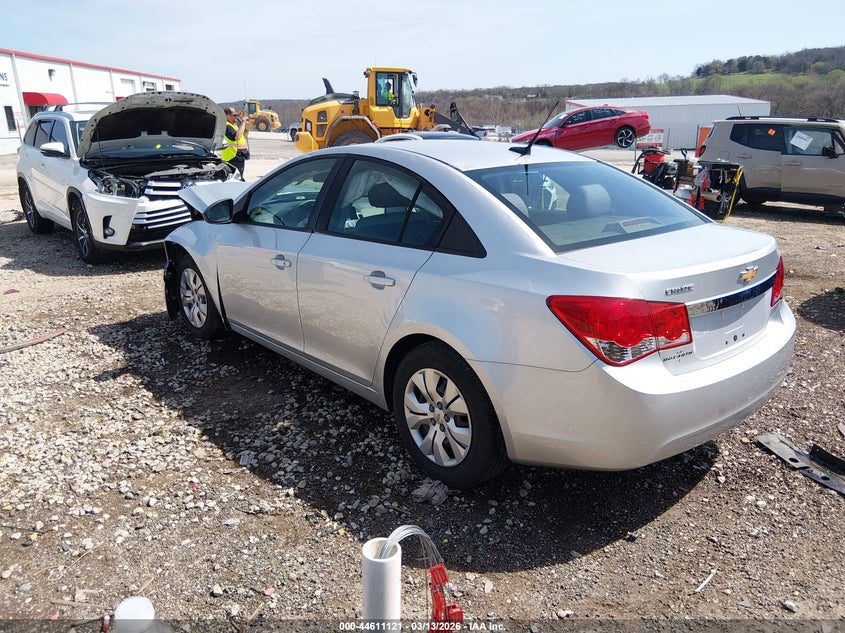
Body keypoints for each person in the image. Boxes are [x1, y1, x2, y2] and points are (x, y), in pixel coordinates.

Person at [222, 106, 249, 178]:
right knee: (237, 177)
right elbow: (237, 137)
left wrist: (246, 125)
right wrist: (243, 123)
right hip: (232, 156)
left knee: (239, 176)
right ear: (227, 116)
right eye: (234, 115)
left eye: (237, 115)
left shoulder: (234, 126)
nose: (236, 117)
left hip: (238, 155)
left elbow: (244, 135)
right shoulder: (227, 126)